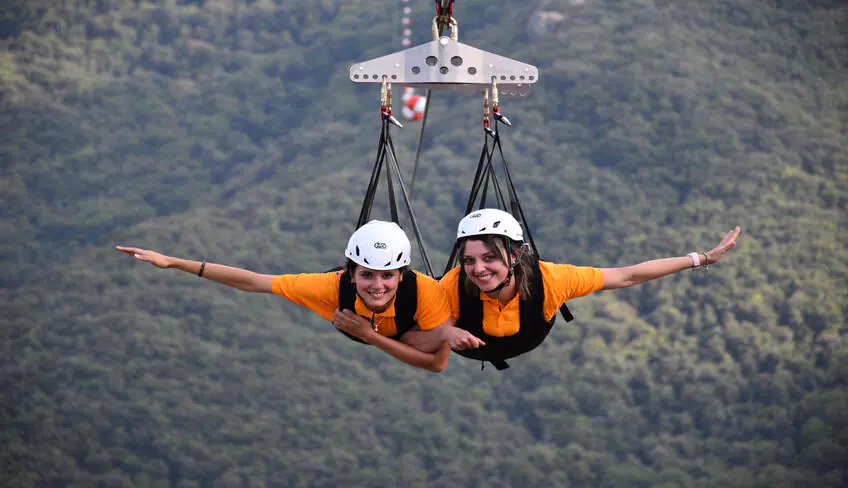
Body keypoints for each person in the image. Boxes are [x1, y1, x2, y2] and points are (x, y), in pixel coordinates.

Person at [116, 220, 482, 372]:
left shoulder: (427, 293)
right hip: (349, 319)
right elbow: (253, 281)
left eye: (387, 276)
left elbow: (436, 364)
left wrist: (369, 335)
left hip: (396, 330)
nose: (377, 285)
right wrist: (174, 263)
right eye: (367, 275)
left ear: (402, 276)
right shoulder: (330, 287)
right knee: (432, 334)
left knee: (434, 336)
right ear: (350, 273)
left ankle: (429, 330)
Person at [430, 208, 741, 370]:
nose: (478, 269)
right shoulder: (452, 285)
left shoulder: (551, 280)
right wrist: (444, 332)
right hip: (473, 346)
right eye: (469, 260)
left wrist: (700, 259)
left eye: (489, 258)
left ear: (513, 255)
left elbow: (626, 276)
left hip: (527, 335)